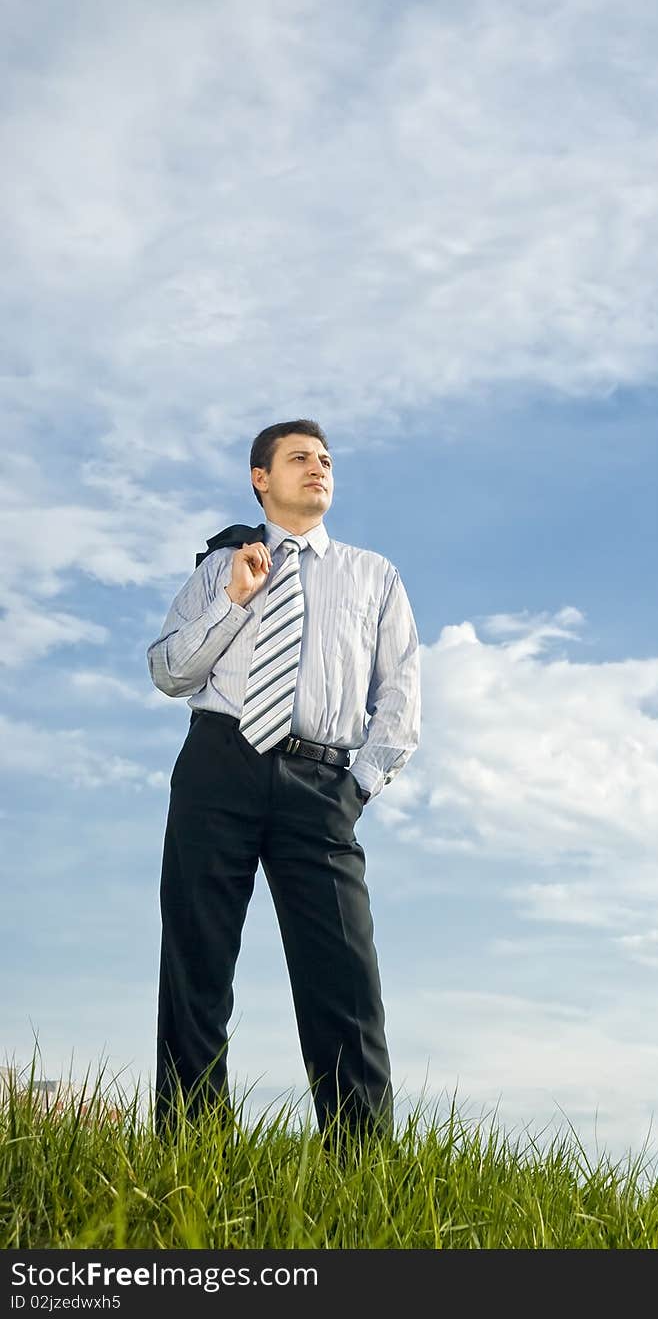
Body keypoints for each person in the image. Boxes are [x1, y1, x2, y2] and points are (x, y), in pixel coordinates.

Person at [146, 418, 420, 1143]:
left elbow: (398, 701)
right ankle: (190, 1146)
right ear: (260, 478)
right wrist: (233, 599)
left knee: (345, 976)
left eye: (326, 459)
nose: (318, 467)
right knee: (196, 964)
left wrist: (356, 787)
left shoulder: (376, 575)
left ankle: (360, 1162)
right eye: (299, 458)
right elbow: (170, 671)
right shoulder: (220, 568)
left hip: (321, 782)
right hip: (217, 767)